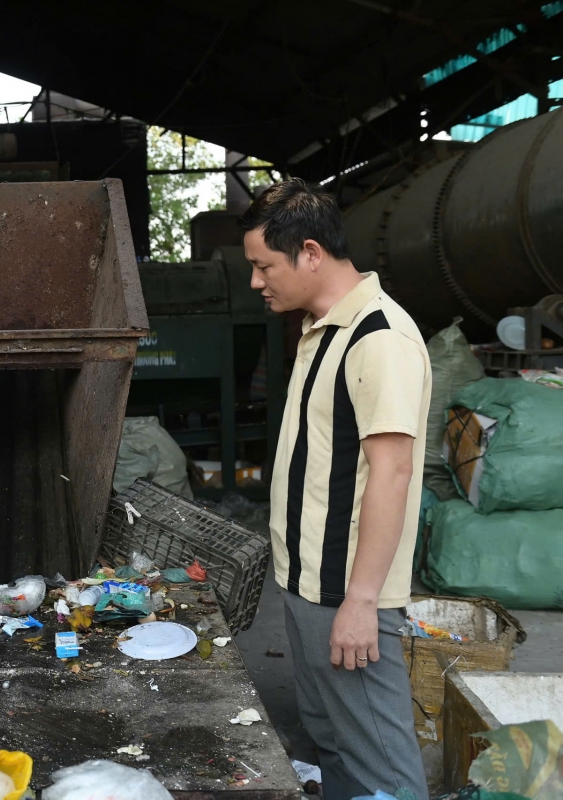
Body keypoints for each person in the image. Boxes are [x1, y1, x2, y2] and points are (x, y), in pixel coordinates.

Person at [242, 180, 431, 800]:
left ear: (312, 253)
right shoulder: (318, 327)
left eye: (264, 266)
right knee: (334, 743)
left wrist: (361, 603)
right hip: (304, 584)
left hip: (347, 593)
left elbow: (393, 473)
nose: (256, 281)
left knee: (381, 760)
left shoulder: (378, 338)